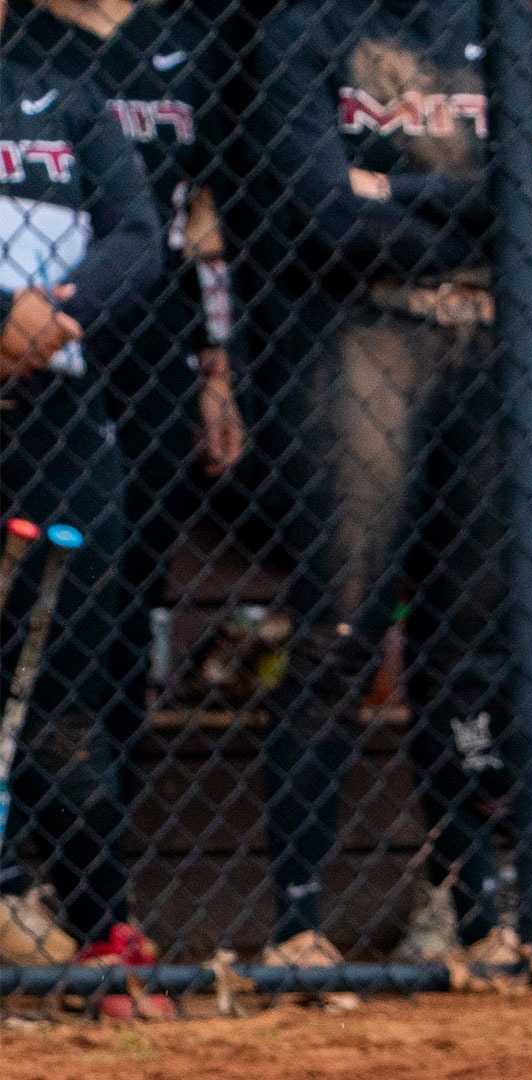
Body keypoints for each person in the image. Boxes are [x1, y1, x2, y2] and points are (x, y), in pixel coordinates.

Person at [241, 0, 532, 986]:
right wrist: (492, 198)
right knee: (339, 630)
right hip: (366, 337)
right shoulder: (305, 29)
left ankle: (476, 906)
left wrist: (397, 195)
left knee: (471, 643)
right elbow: (320, 214)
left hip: (492, 348)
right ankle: (298, 918)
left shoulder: (500, 26)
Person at [0, 0, 162, 992]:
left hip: (55, 410)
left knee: (66, 688)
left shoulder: (61, 93)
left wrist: (51, 318)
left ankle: (97, 919)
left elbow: (138, 232)